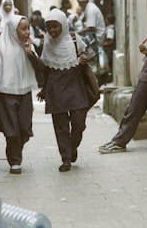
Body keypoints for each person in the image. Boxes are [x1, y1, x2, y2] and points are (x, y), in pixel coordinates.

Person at [99, 15, 147, 153]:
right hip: (143, 82)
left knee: (134, 112)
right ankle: (118, 139)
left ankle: (119, 142)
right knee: (130, 111)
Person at [0, 15, 43, 174]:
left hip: (24, 92)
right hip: (5, 93)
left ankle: (14, 150)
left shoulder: (28, 47)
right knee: (11, 129)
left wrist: (30, 54)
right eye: (23, 29)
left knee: (24, 128)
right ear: (13, 30)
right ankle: (15, 161)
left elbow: (41, 68)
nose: (27, 32)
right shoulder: (2, 48)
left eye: (28, 29)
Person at [37, 9, 89, 172]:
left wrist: (84, 58)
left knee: (79, 123)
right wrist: (44, 90)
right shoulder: (47, 43)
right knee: (60, 126)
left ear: (64, 26)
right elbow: (45, 69)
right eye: (49, 27)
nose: (52, 31)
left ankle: (72, 147)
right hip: (55, 88)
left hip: (75, 85)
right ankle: (65, 158)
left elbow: (84, 51)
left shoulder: (74, 38)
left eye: (55, 26)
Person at [76, 0, 106, 65]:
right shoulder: (88, 7)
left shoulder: (91, 9)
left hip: (97, 37)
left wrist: (77, 32)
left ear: (82, 2)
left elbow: (91, 27)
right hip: (93, 35)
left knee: (79, 45)